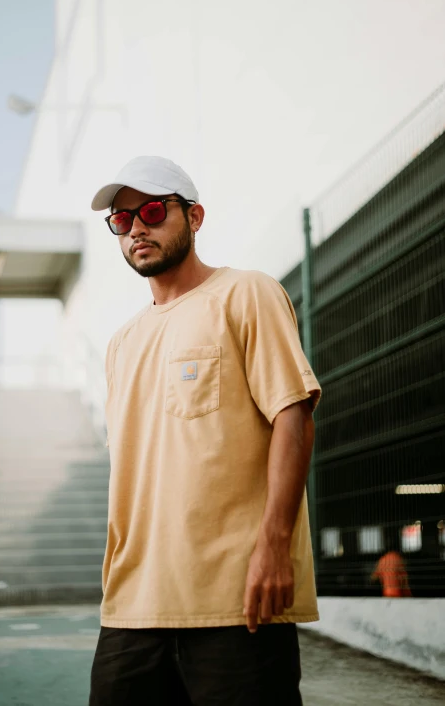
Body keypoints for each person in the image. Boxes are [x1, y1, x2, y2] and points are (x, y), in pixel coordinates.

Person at [88, 156, 321, 706]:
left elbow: (293, 414)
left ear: (193, 216)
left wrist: (273, 547)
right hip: (133, 605)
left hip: (237, 600)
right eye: (122, 221)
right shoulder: (122, 343)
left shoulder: (246, 293)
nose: (136, 228)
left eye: (150, 210)